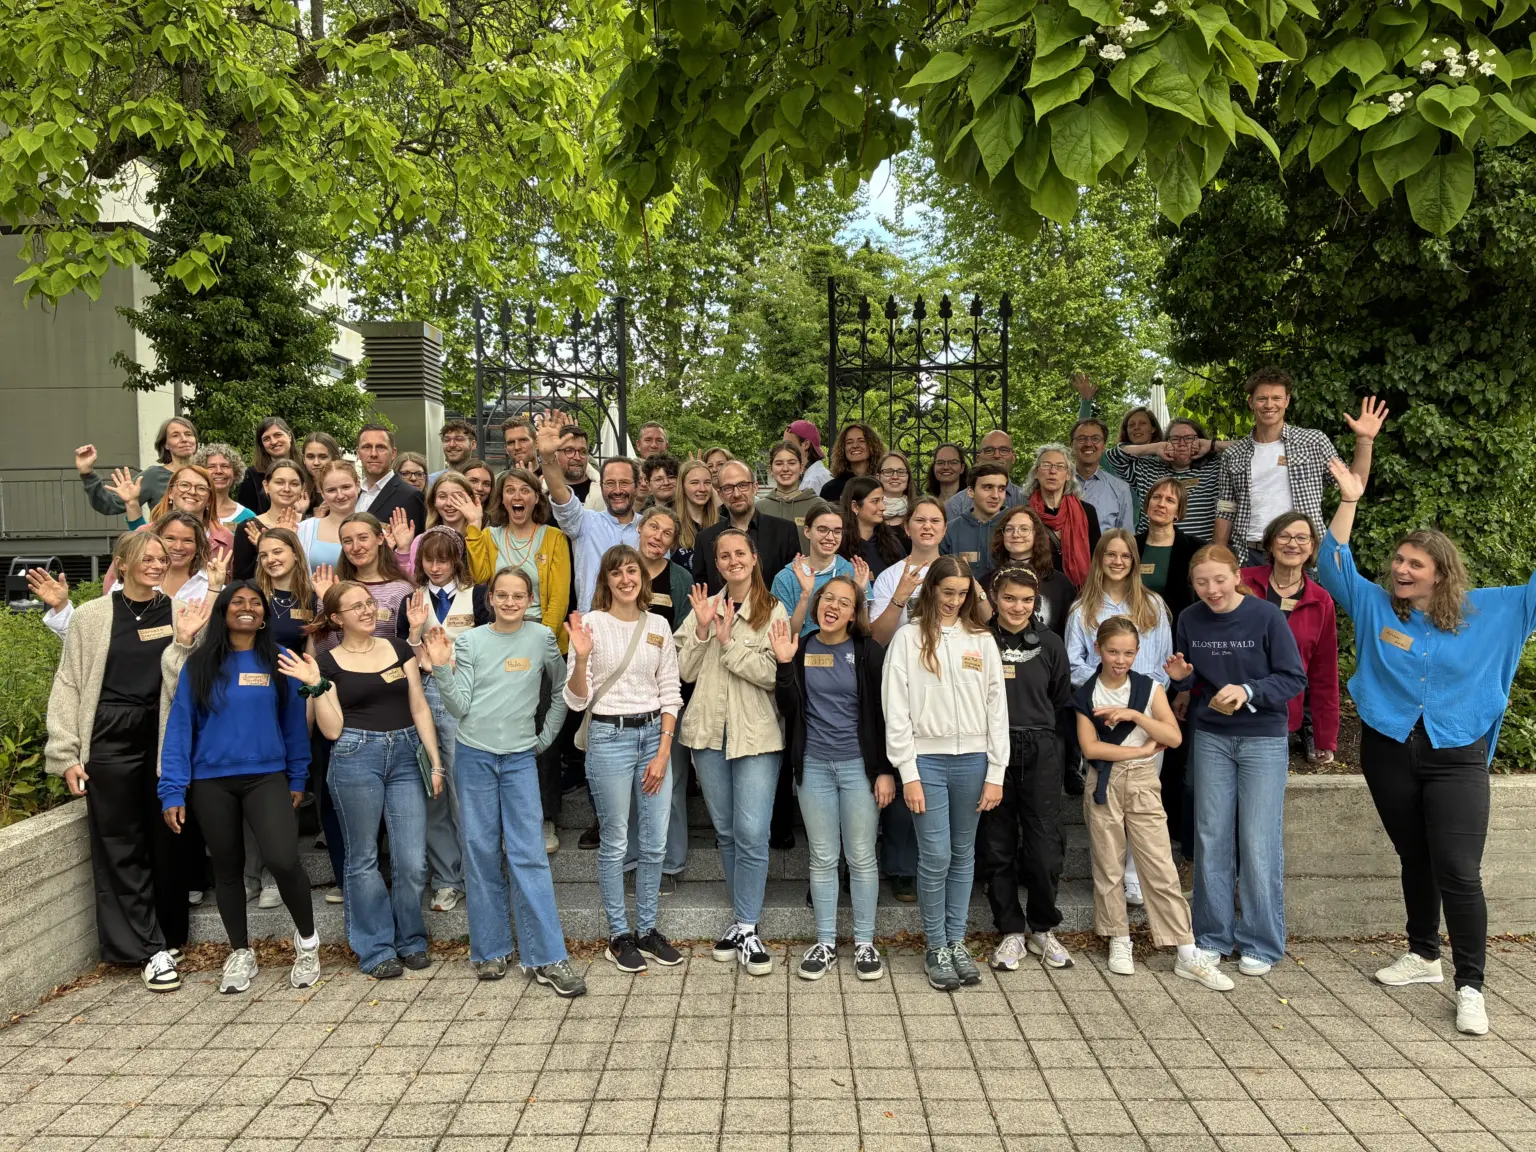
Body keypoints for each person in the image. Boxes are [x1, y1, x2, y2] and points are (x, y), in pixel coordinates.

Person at [1317, 459, 1536, 1036]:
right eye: (1397, 560)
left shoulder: (1494, 610)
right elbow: (1331, 564)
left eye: (1414, 564)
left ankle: (1471, 985)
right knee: (1415, 856)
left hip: (1457, 754)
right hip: (1388, 748)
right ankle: (1423, 955)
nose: (1400, 569)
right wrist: (1350, 500)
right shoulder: (1376, 607)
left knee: (1460, 870)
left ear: (1441, 574)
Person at [45, 532, 209, 992]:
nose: (157, 564)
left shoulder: (180, 613)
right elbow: (69, 684)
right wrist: (64, 753)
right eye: (148, 558)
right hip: (108, 738)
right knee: (119, 843)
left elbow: (186, 687)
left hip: (161, 734)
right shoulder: (93, 616)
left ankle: (167, 934)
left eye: (162, 558)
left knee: (168, 836)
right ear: (123, 563)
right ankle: (146, 949)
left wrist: (182, 643)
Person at [423, 568, 585, 994]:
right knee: (478, 851)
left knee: (528, 853)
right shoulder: (471, 641)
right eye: (503, 595)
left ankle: (547, 956)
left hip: (518, 759)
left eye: (519, 595)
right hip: (474, 756)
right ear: (490, 598)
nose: (511, 602)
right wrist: (441, 668)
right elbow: (457, 708)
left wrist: (546, 737)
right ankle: (490, 949)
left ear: (530, 599)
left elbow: (561, 691)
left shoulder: (542, 639)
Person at [158, 581, 321, 994]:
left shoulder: (279, 660)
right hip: (211, 781)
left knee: (284, 860)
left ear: (264, 615)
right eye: (237, 602)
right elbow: (179, 730)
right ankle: (240, 952)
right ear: (223, 612)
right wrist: (173, 790)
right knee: (227, 871)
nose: (246, 608)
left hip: (266, 776)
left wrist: (298, 777)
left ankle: (307, 944)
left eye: (255, 603)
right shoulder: (199, 665)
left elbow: (294, 727)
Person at [284, 581, 444, 978]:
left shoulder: (399, 649)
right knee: (363, 858)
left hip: (407, 753)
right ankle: (375, 948)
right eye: (356, 606)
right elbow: (333, 730)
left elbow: (419, 707)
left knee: (410, 860)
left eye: (369, 603)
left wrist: (436, 762)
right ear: (336, 618)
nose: (368, 610)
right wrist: (316, 686)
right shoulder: (326, 661)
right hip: (356, 756)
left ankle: (411, 939)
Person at [1165, 545, 1306, 984]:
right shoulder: (1189, 619)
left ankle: (1261, 941)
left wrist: (1247, 690)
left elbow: (1292, 676)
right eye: (1202, 582)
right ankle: (1212, 937)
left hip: (1263, 738)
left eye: (1219, 580)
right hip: (1211, 737)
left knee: (1258, 839)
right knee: (1211, 836)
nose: (1211, 590)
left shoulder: (1267, 616)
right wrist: (1180, 677)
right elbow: (1194, 679)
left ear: (1236, 575)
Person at [1073, 617, 1232, 991]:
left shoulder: (1148, 688)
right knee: (1109, 863)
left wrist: (1133, 716)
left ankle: (1187, 951)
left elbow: (1173, 736)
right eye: (1113, 651)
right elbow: (1090, 748)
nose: (1120, 659)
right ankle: (1118, 938)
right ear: (1098, 649)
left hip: (1143, 782)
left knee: (1159, 864)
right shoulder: (1086, 694)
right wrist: (1143, 748)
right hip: (1104, 782)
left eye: (1129, 652)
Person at [883, 556, 1007, 992]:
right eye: (946, 591)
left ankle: (957, 941)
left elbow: (997, 708)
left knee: (962, 853)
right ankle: (935, 945)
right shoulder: (907, 639)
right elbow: (895, 709)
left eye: (962, 592)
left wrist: (996, 771)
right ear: (932, 589)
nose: (954, 601)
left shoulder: (982, 640)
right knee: (934, 856)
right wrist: (907, 772)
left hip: (974, 760)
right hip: (927, 762)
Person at [563, 546, 685, 973]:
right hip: (609, 737)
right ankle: (619, 934)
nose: (626, 579)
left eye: (631, 570)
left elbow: (671, 690)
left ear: (642, 577)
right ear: (607, 580)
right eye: (616, 573)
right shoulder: (591, 624)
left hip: (654, 735)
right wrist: (579, 657)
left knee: (654, 842)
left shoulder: (658, 625)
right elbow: (577, 699)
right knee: (616, 841)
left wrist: (664, 750)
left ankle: (648, 929)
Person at [677, 530, 788, 976]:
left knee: (751, 831)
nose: (732, 560)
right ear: (717, 563)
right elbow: (683, 669)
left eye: (739, 553)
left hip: (757, 736)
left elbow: (770, 673)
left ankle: (745, 924)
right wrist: (704, 629)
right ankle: (744, 922)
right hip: (708, 734)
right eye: (724, 555)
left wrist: (728, 642)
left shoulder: (772, 609)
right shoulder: (705, 606)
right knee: (726, 832)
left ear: (754, 558)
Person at [770, 577, 893, 982]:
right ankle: (824, 942)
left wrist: (885, 770)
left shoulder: (867, 652)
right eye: (828, 598)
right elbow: (790, 709)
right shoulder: (803, 647)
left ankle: (864, 943)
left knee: (860, 856)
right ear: (818, 603)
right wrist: (785, 664)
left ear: (854, 612)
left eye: (845, 602)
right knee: (822, 857)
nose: (834, 606)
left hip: (859, 766)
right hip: (815, 767)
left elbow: (884, 714)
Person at [1065, 529, 1174, 897]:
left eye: (1125, 556)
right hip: (1102, 716)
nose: (1117, 561)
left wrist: (1138, 699)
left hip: (1146, 716)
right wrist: (1108, 690)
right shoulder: (1083, 610)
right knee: (1108, 800)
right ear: (1099, 559)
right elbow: (1072, 664)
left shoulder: (1153, 606)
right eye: (1110, 554)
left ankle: (1133, 877)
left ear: (1134, 562)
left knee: (1142, 799)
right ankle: (1108, 878)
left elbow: (1162, 664)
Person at [978, 568, 1075, 973]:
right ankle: (1011, 930)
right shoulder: (978, 640)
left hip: (1039, 748)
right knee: (997, 843)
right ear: (995, 598)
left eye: (1027, 600)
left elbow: (1060, 698)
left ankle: (1041, 926)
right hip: (991, 750)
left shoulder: (1051, 644)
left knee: (1043, 844)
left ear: (1037, 602)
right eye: (1010, 598)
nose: (1018, 607)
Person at [400, 528, 492, 915]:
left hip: (467, 699)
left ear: (457, 559)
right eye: (427, 559)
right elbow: (403, 654)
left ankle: (480, 876)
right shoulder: (413, 599)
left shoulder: (479, 595)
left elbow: (491, 646)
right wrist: (415, 633)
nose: (435, 567)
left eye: (443, 559)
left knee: (465, 792)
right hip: (423, 697)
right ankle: (447, 878)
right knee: (433, 787)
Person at [1211, 371, 1386, 563]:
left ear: (1286, 401)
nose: (1269, 405)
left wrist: (1365, 440)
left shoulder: (1313, 442)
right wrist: (1217, 558)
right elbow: (1226, 510)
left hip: (1303, 551)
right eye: (1262, 399)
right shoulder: (1233, 454)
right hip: (1252, 554)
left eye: (1276, 398)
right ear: (1251, 402)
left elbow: (1354, 484)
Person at [1241, 512, 1339, 765]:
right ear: (1270, 544)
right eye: (1283, 536)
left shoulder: (1320, 600)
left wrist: (1324, 735)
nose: (1292, 544)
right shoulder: (1241, 582)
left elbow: (1324, 672)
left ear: (1312, 547)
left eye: (1301, 538)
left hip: (1280, 715)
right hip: (1230, 707)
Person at [45, 511, 222, 642]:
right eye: (170, 538)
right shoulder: (125, 587)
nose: (178, 546)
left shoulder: (213, 584)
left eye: (188, 540)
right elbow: (89, 639)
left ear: (199, 546)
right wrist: (61, 607)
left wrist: (214, 590)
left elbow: (211, 642)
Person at [537, 412, 640, 611]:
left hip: (637, 624)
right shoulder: (584, 523)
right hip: (591, 627)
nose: (617, 490)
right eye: (610, 483)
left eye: (625, 483)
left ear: (637, 486)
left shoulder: (650, 529)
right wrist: (548, 458)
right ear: (601, 487)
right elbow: (560, 493)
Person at [469, 467, 572, 652]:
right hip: (499, 629)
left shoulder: (555, 538)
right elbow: (479, 576)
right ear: (502, 499)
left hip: (540, 630)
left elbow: (559, 597)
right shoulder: (489, 536)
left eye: (525, 490)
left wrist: (543, 639)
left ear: (537, 498)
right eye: (509, 490)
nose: (517, 496)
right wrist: (474, 526)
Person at [1106, 417, 1226, 540]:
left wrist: (1212, 445)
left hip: (1200, 552)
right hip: (1151, 549)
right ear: (1166, 442)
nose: (1182, 444)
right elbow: (1112, 456)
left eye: (1189, 438)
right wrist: (1155, 448)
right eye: (1175, 439)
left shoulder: (1215, 466)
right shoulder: (1147, 468)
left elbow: (1245, 451)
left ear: (1200, 440)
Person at [694, 460, 799, 595]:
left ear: (755, 487)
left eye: (743, 485)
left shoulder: (785, 531)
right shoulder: (705, 539)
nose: (736, 494)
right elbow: (702, 594)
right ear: (720, 494)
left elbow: (793, 587)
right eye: (728, 488)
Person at [76, 416, 199, 517]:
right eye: (175, 435)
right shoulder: (154, 476)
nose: (184, 439)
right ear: (166, 444)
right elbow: (109, 505)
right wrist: (87, 473)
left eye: (188, 434)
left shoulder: (208, 474)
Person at [771, 503, 861, 635]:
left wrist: (861, 592)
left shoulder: (852, 571)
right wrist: (805, 596)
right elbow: (785, 636)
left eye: (837, 531)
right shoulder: (785, 578)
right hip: (801, 653)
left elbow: (864, 628)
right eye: (822, 529)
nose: (830, 537)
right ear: (807, 531)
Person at [870, 497, 948, 647]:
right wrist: (899, 597)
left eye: (935, 521)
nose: (927, 526)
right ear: (907, 528)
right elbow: (878, 638)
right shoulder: (889, 576)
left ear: (944, 529)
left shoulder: (955, 572)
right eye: (919, 520)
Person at [988, 505, 1075, 636]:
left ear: (1036, 534)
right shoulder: (988, 580)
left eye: (1024, 529)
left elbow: (1068, 633)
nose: (1016, 534)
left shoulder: (1060, 584)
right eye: (1010, 529)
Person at [1024, 444, 1102, 588]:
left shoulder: (1087, 511)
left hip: (1079, 593)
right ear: (1036, 472)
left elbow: (1097, 557)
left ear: (1068, 475)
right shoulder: (1024, 513)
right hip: (1036, 590)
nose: (1053, 471)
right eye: (1046, 465)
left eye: (1060, 466)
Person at [387, 471, 486, 579]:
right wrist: (403, 549)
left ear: (470, 499)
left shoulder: (483, 538)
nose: (449, 503)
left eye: (457, 496)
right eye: (442, 496)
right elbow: (411, 584)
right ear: (433, 501)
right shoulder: (422, 540)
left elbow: (481, 580)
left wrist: (475, 523)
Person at [331, 512, 416, 634]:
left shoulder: (401, 590)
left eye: (363, 538)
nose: (355, 547)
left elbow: (406, 644)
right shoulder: (335, 587)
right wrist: (327, 602)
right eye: (348, 541)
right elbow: (324, 646)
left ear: (380, 539)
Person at [1137, 476, 1205, 627]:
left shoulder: (1197, 549)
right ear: (1148, 503)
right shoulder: (1130, 545)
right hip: (1133, 629)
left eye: (1170, 500)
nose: (1161, 504)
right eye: (1156, 497)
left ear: (1178, 513)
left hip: (1178, 630)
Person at [231, 460, 310, 580]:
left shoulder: (309, 525)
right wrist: (263, 548)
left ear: (302, 488)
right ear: (266, 486)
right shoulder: (249, 527)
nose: (287, 489)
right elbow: (242, 578)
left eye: (294, 484)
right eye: (279, 482)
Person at [940, 463, 1011, 586]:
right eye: (987, 487)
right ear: (971, 492)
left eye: (1001, 489)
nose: (995, 495)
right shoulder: (950, 530)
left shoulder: (1016, 527)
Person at [353, 424, 427, 534]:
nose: (373, 454)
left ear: (393, 454)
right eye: (367, 447)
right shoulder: (352, 493)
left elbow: (415, 545)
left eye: (381, 447)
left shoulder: (410, 496)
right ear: (358, 453)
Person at [1070, 418, 1136, 533]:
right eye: (1081, 439)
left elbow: (1126, 537)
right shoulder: (1056, 483)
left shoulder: (1121, 489)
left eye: (1096, 439)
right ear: (1072, 445)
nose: (1088, 444)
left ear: (1104, 445)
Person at [297, 460, 361, 572]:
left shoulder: (375, 529)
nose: (340, 495)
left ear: (358, 486)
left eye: (346, 487)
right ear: (322, 493)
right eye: (332, 490)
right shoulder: (304, 529)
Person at [840, 476, 908, 579]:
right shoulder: (839, 544)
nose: (883, 507)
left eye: (882, 500)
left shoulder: (892, 545)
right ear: (854, 506)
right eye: (875, 501)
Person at [1069, 373, 1163, 447]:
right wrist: (1086, 401)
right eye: (1131, 425)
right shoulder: (1115, 461)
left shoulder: (1166, 460)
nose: (1136, 427)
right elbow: (1084, 431)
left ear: (1153, 428)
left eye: (1142, 423)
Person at [945, 431, 1023, 518]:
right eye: (989, 450)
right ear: (978, 458)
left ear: (1013, 458)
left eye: (1004, 450)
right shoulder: (956, 505)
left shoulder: (1025, 500)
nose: (997, 455)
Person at [757, 440, 819, 551]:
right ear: (771, 469)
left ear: (801, 468)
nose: (785, 469)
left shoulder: (818, 506)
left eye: (791, 463)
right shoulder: (758, 508)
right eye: (779, 463)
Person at [237, 417, 296, 514]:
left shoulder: (306, 466)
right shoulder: (253, 474)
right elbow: (246, 513)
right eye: (266, 439)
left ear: (289, 436)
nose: (273, 442)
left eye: (278, 435)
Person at [545, 422, 605, 511]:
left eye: (583, 451)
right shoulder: (542, 492)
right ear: (555, 453)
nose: (577, 457)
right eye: (569, 451)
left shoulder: (604, 491)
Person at [673, 458, 719, 573]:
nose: (702, 489)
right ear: (682, 486)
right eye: (694, 483)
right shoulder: (671, 525)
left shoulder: (723, 524)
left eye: (707, 483)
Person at [819, 422, 884, 504]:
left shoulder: (882, 483)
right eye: (849, 442)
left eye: (861, 441)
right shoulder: (831, 488)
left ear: (872, 445)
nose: (855, 445)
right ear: (843, 448)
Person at [198, 444, 257, 527]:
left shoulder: (247, 517)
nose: (218, 471)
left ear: (235, 473)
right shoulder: (192, 509)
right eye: (211, 467)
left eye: (225, 466)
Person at [298, 431, 342, 513]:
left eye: (322, 457)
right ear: (304, 459)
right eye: (310, 457)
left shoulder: (345, 491)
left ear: (334, 458)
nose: (316, 463)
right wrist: (300, 512)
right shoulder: (297, 490)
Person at [786, 419, 832, 494]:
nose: (784, 450)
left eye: (789, 445)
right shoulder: (820, 473)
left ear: (806, 444)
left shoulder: (811, 481)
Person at [924, 443, 969, 508]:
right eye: (940, 463)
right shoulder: (927, 503)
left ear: (962, 468)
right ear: (934, 467)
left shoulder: (972, 502)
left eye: (953, 462)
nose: (946, 467)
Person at [877, 452, 914, 526]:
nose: (895, 477)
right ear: (878, 477)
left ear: (908, 477)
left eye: (901, 472)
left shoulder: (918, 510)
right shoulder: (866, 511)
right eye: (888, 472)